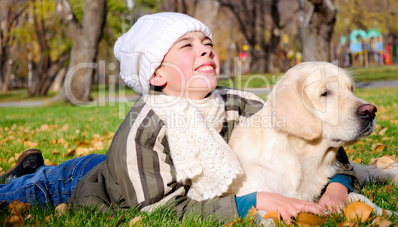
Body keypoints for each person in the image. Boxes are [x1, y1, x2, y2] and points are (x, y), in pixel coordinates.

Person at [0, 12, 359, 223]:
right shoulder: (145, 127)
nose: (205, 48)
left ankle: (31, 169)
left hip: (138, 171)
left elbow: (313, 141)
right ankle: (27, 176)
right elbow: (161, 213)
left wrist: (338, 186)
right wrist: (251, 203)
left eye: (207, 43)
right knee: (23, 192)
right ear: (156, 76)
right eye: (186, 45)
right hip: (94, 184)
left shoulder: (237, 104)